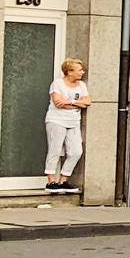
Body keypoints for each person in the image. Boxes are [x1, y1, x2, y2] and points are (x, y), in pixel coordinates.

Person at [44, 58, 89, 194]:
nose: (83, 72)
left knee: (76, 152)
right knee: (55, 150)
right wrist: (78, 103)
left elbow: (87, 101)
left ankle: (63, 180)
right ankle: (51, 182)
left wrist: (69, 102)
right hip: (56, 120)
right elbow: (58, 102)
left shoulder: (81, 85)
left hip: (74, 122)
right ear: (69, 71)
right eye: (79, 70)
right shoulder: (57, 84)